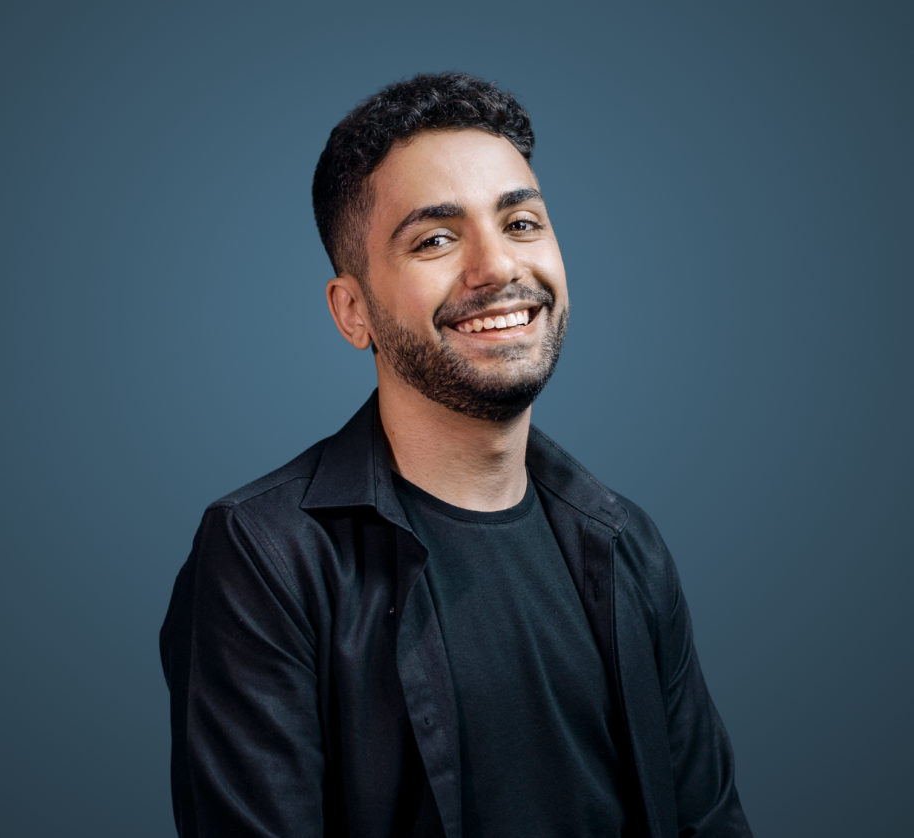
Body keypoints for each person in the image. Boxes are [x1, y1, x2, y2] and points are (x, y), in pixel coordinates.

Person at [160, 71, 753, 838]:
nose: (497, 268)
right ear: (353, 311)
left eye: (521, 222)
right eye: (435, 239)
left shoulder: (626, 543)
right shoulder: (265, 558)